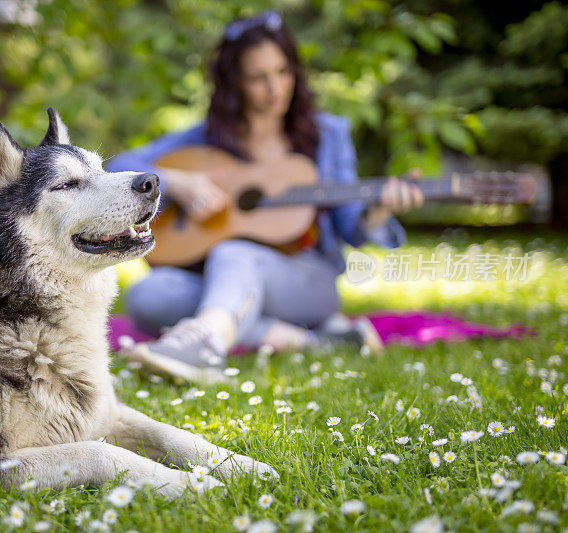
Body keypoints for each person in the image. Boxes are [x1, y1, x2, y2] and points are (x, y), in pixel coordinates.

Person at [106, 10, 423, 382]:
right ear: (234, 83)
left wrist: (380, 210)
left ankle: (206, 341)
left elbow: (350, 227)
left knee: (234, 252)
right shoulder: (209, 136)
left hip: (306, 280)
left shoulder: (329, 135)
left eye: (283, 72)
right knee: (148, 296)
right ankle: (307, 341)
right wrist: (180, 183)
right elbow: (123, 165)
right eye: (258, 77)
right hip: (222, 279)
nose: (275, 88)